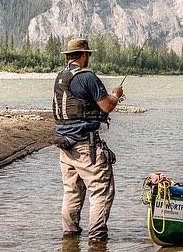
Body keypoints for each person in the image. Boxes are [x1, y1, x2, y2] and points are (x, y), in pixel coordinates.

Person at [52, 38, 123, 241]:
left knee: (72, 192)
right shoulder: (87, 77)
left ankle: (70, 237)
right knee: (101, 190)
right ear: (84, 55)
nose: (88, 58)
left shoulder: (61, 77)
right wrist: (116, 95)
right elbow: (107, 106)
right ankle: (97, 239)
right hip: (86, 146)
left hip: (65, 146)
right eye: (88, 54)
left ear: (68, 56)